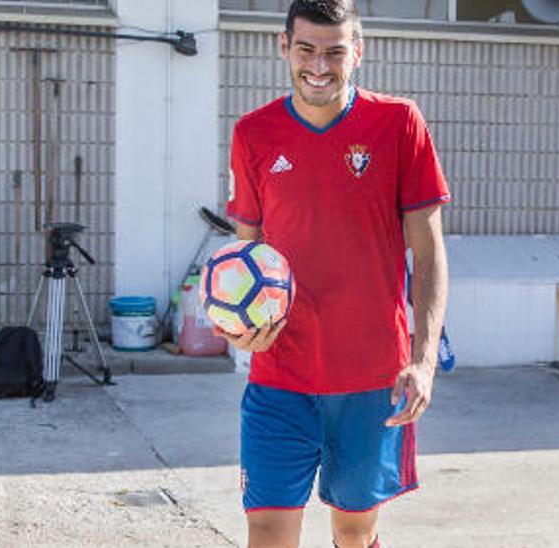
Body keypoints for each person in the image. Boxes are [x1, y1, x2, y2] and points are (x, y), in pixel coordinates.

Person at [219, 1, 450, 547]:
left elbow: (430, 251)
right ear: (283, 47)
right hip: (280, 376)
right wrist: (235, 327)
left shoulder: (398, 124)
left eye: (334, 52)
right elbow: (245, 257)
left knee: (353, 532)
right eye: (306, 49)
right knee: (269, 534)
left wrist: (423, 360)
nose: (318, 65)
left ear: (358, 54)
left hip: (372, 377)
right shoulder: (255, 134)